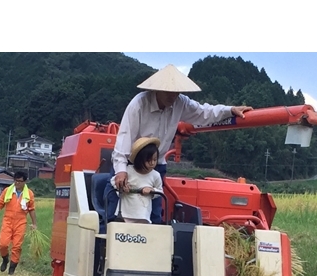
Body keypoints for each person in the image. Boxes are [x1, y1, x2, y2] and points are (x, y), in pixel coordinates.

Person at [106, 64, 253, 223]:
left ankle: (154, 241)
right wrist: (121, 170)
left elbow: (203, 112)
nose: (173, 96)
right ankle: (103, 238)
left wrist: (230, 110)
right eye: (169, 92)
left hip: (157, 164)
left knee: (155, 209)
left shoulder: (180, 102)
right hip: (131, 163)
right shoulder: (139, 104)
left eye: (176, 92)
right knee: (113, 203)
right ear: (157, 89)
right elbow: (124, 138)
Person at [0, 170, 37, 275]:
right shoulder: (7, 191)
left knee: (17, 246)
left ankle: (12, 268)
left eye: (19, 181)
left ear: (24, 182)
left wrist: (34, 224)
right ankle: (5, 259)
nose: (17, 183)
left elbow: (31, 209)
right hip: (7, 220)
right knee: (3, 244)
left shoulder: (29, 194)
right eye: (15, 181)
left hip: (21, 221)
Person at [110, 137, 163, 223]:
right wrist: (123, 186)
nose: (152, 163)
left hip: (143, 216)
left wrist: (152, 190)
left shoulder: (155, 175)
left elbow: (160, 191)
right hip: (124, 215)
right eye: (148, 160)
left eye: (155, 160)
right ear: (139, 159)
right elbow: (113, 181)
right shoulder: (127, 171)